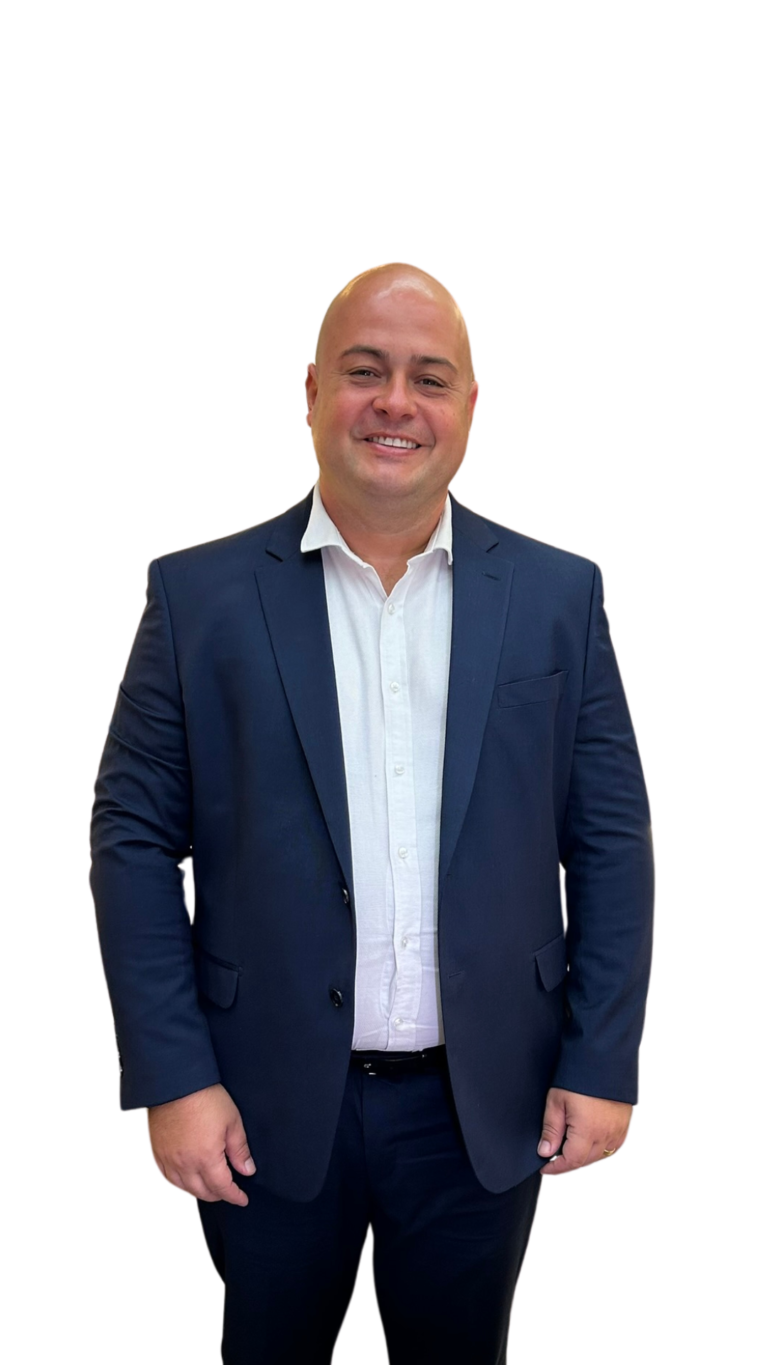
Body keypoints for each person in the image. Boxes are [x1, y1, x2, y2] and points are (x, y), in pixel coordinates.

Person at [89, 261, 655, 1364]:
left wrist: (602, 1062)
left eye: (429, 378)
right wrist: (174, 1078)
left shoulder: (559, 595)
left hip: (488, 1106)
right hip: (255, 1104)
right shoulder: (195, 596)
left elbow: (611, 842)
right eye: (365, 371)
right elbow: (135, 838)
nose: (396, 402)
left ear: (470, 407)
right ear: (310, 392)